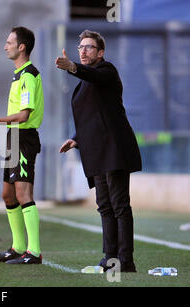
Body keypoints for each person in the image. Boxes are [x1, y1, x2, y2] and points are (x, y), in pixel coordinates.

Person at [55, 30, 142, 272]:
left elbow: (94, 76)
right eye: (80, 47)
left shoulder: (106, 71)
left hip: (114, 149)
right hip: (96, 151)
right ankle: (110, 258)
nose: (83, 50)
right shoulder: (85, 81)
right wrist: (75, 139)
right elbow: (92, 116)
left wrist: (72, 66)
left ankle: (126, 261)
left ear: (100, 52)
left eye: (89, 47)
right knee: (104, 206)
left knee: (120, 205)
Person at [0, 26, 44, 264]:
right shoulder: (18, 74)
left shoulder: (27, 75)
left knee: (23, 193)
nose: (5, 46)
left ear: (21, 46)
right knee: (7, 194)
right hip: (13, 138)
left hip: (23, 138)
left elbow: (24, 115)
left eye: (9, 42)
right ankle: (17, 247)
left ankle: (33, 252)